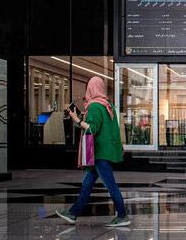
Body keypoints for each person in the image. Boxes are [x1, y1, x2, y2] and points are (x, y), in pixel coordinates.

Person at [55, 77, 130, 228]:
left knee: (110, 185)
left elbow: (92, 128)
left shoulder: (95, 106)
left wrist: (76, 119)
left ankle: (122, 215)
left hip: (98, 153)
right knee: (87, 184)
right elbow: (109, 127)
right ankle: (72, 213)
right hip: (104, 151)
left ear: (91, 88)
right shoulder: (107, 105)